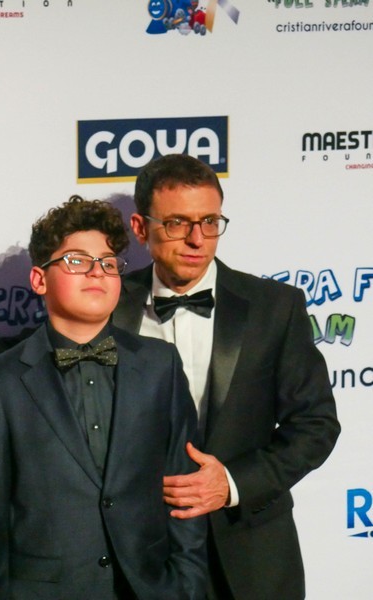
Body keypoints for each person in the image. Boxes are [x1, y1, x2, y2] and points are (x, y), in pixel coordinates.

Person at [111, 153, 341, 599]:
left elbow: (316, 425)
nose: (197, 239)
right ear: (140, 228)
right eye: (177, 223)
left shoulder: (275, 307)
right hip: (137, 555)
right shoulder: (108, 305)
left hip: (250, 553)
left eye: (210, 222)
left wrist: (232, 483)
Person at [0, 196, 207, 599]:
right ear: (39, 280)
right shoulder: (1, 382)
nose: (96, 272)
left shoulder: (160, 365)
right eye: (76, 260)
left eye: (108, 263)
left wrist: (187, 586)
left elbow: (185, 491)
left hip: (149, 588)